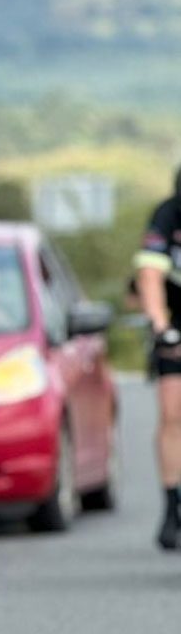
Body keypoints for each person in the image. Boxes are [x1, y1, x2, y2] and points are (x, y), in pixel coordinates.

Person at [133, 164, 181, 550]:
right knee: (172, 414)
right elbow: (150, 275)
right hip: (177, 321)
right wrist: (160, 326)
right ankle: (171, 505)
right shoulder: (168, 214)